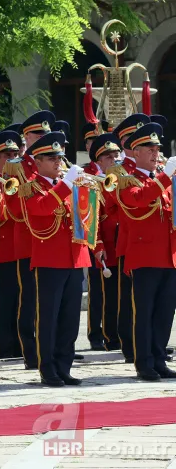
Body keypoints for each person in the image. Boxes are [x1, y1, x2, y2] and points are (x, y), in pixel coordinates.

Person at [21, 131, 89, 387]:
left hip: (74, 257)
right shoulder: (30, 186)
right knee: (48, 317)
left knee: (70, 318)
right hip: (49, 259)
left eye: (60, 157)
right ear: (37, 161)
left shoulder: (69, 183)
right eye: (51, 158)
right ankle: (47, 368)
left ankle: (64, 366)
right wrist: (66, 185)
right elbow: (40, 208)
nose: (58, 162)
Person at [116, 123, 176, 381]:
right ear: (135, 151)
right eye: (149, 149)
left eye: (157, 149)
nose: (155, 153)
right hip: (144, 255)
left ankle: (159, 358)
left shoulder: (163, 179)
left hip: (168, 255)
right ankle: (144, 363)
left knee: (164, 312)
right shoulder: (126, 178)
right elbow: (138, 200)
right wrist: (165, 177)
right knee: (144, 312)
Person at [3, 110, 56, 371]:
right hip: (30, 241)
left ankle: (52, 349)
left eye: (46, 133)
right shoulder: (17, 167)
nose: (43, 137)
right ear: (26, 137)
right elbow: (12, 208)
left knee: (55, 301)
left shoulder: (59, 164)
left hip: (57, 243)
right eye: (38, 134)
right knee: (31, 299)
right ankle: (31, 351)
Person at [108, 113, 151, 363]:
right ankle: (131, 345)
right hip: (131, 237)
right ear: (126, 142)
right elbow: (114, 205)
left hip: (157, 240)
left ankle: (150, 344)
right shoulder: (118, 170)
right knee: (131, 298)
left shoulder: (154, 166)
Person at [0, 129, 23, 359]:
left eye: (14, 153)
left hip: (22, 247)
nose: (10, 158)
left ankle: (22, 343)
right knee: (3, 301)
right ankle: (5, 346)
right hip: (1, 249)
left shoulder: (22, 177)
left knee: (23, 299)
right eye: (5, 154)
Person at [87, 132, 122, 351]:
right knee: (103, 294)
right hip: (104, 245)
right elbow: (92, 217)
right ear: (99, 161)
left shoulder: (125, 177)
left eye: (117, 154)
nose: (114, 159)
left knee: (121, 295)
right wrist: (97, 245)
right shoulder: (94, 182)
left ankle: (119, 334)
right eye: (109, 157)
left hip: (123, 243)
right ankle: (101, 335)